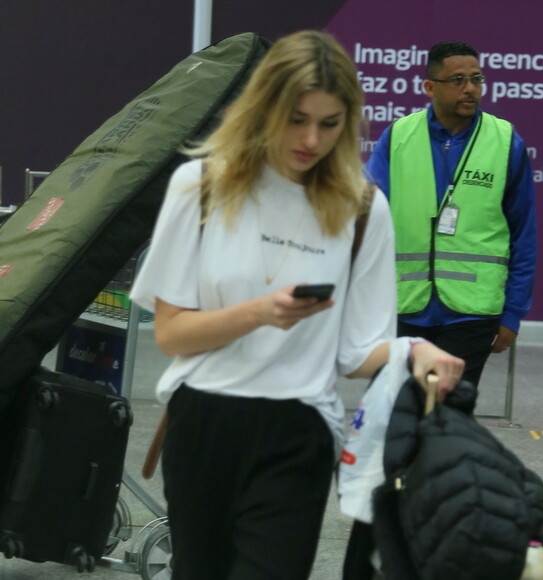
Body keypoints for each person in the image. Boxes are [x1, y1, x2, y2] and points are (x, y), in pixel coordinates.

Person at [130, 30, 464, 580]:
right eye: (297, 119)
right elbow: (171, 333)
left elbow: (356, 352)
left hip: (300, 429)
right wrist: (261, 313)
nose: (311, 139)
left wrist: (416, 349)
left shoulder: (362, 210)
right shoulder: (201, 186)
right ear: (265, 109)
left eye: (330, 123)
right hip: (203, 422)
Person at [366, 40, 537, 388]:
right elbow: (368, 221)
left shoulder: (505, 142)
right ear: (430, 87)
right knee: (392, 414)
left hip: (472, 313)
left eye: (476, 79)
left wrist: (513, 314)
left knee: (448, 420)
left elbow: (523, 236)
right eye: (458, 80)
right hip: (403, 307)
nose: (470, 89)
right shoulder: (397, 137)